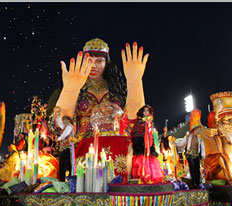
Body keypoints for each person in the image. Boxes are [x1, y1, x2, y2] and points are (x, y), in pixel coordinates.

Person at [55, 38, 149, 179]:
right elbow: (59, 121)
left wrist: (134, 82)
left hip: (117, 150)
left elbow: (134, 118)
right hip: (85, 150)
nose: (94, 66)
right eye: (89, 61)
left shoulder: (115, 87)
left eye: (99, 61)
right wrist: (69, 91)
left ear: (106, 63)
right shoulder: (76, 85)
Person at [130, 105, 165, 184]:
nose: (146, 112)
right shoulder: (138, 123)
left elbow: (152, 136)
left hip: (149, 145)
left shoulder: (150, 123)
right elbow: (135, 135)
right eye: (144, 111)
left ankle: (149, 178)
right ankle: (142, 178)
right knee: (141, 161)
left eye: (148, 111)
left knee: (151, 161)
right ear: (142, 112)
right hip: (140, 146)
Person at [176, 109, 205, 189]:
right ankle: (194, 183)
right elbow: (181, 143)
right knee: (192, 168)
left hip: (196, 155)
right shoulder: (188, 137)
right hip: (189, 154)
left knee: (197, 169)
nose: (198, 131)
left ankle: (198, 183)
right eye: (197, 129)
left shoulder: (199, 139)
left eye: (199, 129)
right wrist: (174, 143)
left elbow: (202, 148)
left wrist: (203, 156)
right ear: (194, 130)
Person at [55, 107, 74, 182]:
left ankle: (69, 179)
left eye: (65, 120)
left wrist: (58, 139)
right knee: (62, 164)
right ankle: (62, 180)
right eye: (64, 120)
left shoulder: (69, 126)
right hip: (63, 148)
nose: (64, 121)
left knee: (68, 164)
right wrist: (58, 115)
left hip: (68, 148)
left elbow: (65, 135)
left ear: (69, 121)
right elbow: (59, 123)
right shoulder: (65, 126)